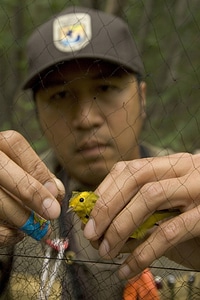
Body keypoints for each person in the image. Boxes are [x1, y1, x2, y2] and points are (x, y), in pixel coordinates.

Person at [1, 5, 200, 299]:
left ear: (142, 99)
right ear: (39, 114)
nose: (85, 119)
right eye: (60, 95)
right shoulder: (13, 197)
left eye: (105, 88)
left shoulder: (191, 188)